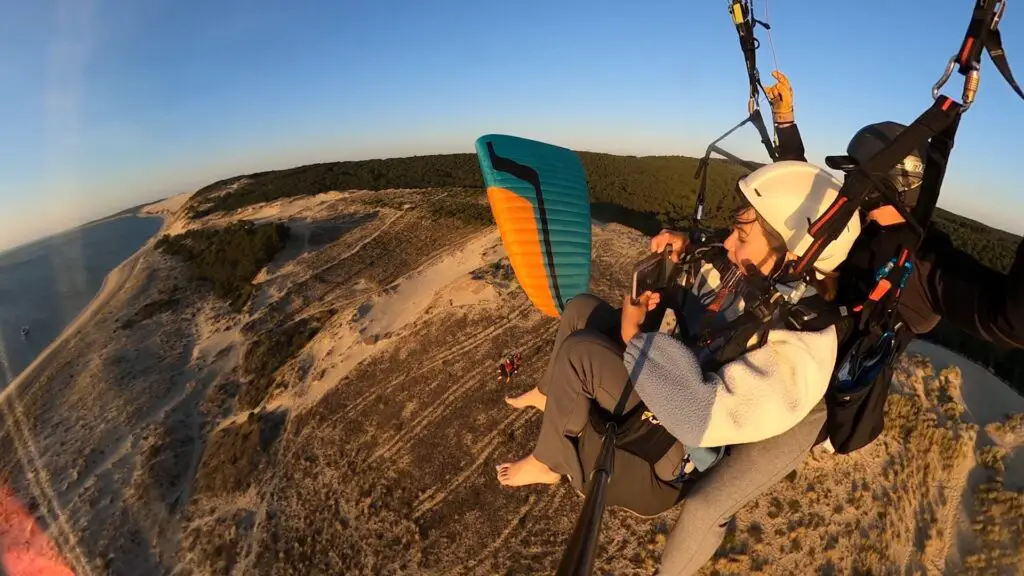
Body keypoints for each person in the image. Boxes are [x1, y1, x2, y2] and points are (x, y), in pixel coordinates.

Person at [496, 159, 862, 529]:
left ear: (793, 254)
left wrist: (634, 337)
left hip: (669, 443)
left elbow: (699, 418)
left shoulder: (803, 347)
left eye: (743, 236)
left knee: (581, 356)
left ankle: (548, 462)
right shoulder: (771, 279)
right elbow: (721, 254)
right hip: (670, 374)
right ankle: (549, 396)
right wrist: (684, 247)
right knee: (581, 309)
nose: (730, 244)